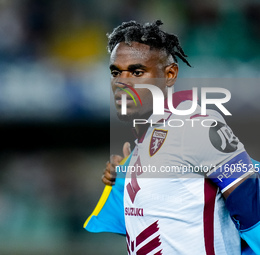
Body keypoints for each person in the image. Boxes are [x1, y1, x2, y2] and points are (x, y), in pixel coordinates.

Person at [84, 20, 260, 255]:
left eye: (137, 72)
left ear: (169, 74)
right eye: (116, 72)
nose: (121, 82)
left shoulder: (197, 125)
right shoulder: (143, 142)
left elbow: (253, 212)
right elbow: (148, 227)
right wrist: (122, 179)